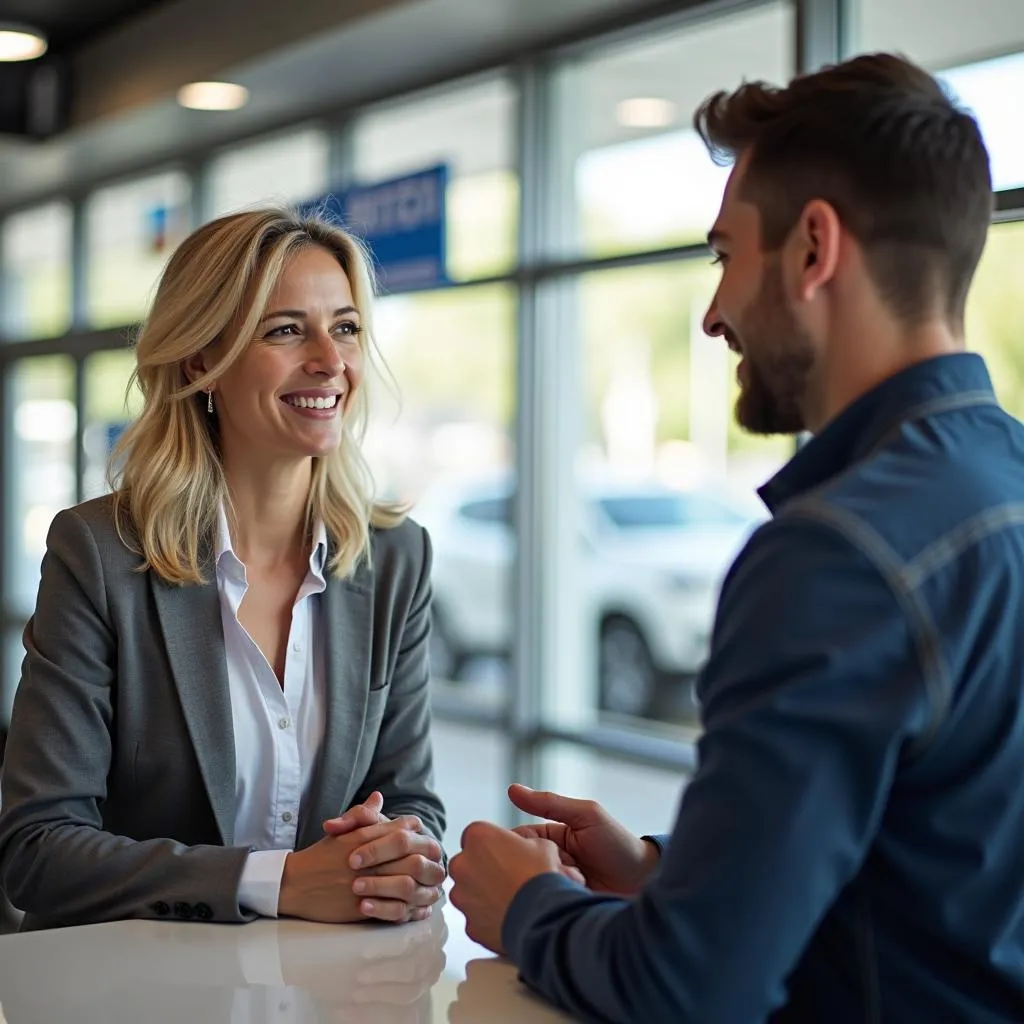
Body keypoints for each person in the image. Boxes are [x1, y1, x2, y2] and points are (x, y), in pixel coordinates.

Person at [443, 52, 1024, 1022]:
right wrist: (669, 873)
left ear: (811, 249)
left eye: (724, 255)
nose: (713, 315)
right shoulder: (999, 482)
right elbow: (944, 856)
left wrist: (527, 906)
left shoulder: (835, 552)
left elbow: (687, 988)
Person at [0, 208, 446, 931]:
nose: (330, 361)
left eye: (346, 327)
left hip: (325, 990)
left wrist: (401, 856)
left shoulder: (395, 557)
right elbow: (38, 850)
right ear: (200, 361)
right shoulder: (99, 555)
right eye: (285, 330)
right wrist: (282, 882)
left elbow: (411, 801)